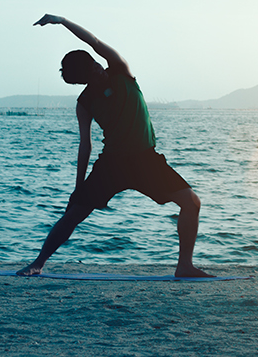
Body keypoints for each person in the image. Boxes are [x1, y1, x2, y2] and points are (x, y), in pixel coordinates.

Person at [17, 15, 212, 278]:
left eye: (95, 64)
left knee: (191, 203)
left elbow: (94, 41)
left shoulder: (120, 70)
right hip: (112, 164)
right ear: (82, 80)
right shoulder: (85, 103)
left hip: (146, 160)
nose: (98, 69)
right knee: (74, 213)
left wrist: (61, 21)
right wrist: (78, 188)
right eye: (91, 72)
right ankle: (38, 263)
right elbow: (84, 145)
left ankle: (184, 266)